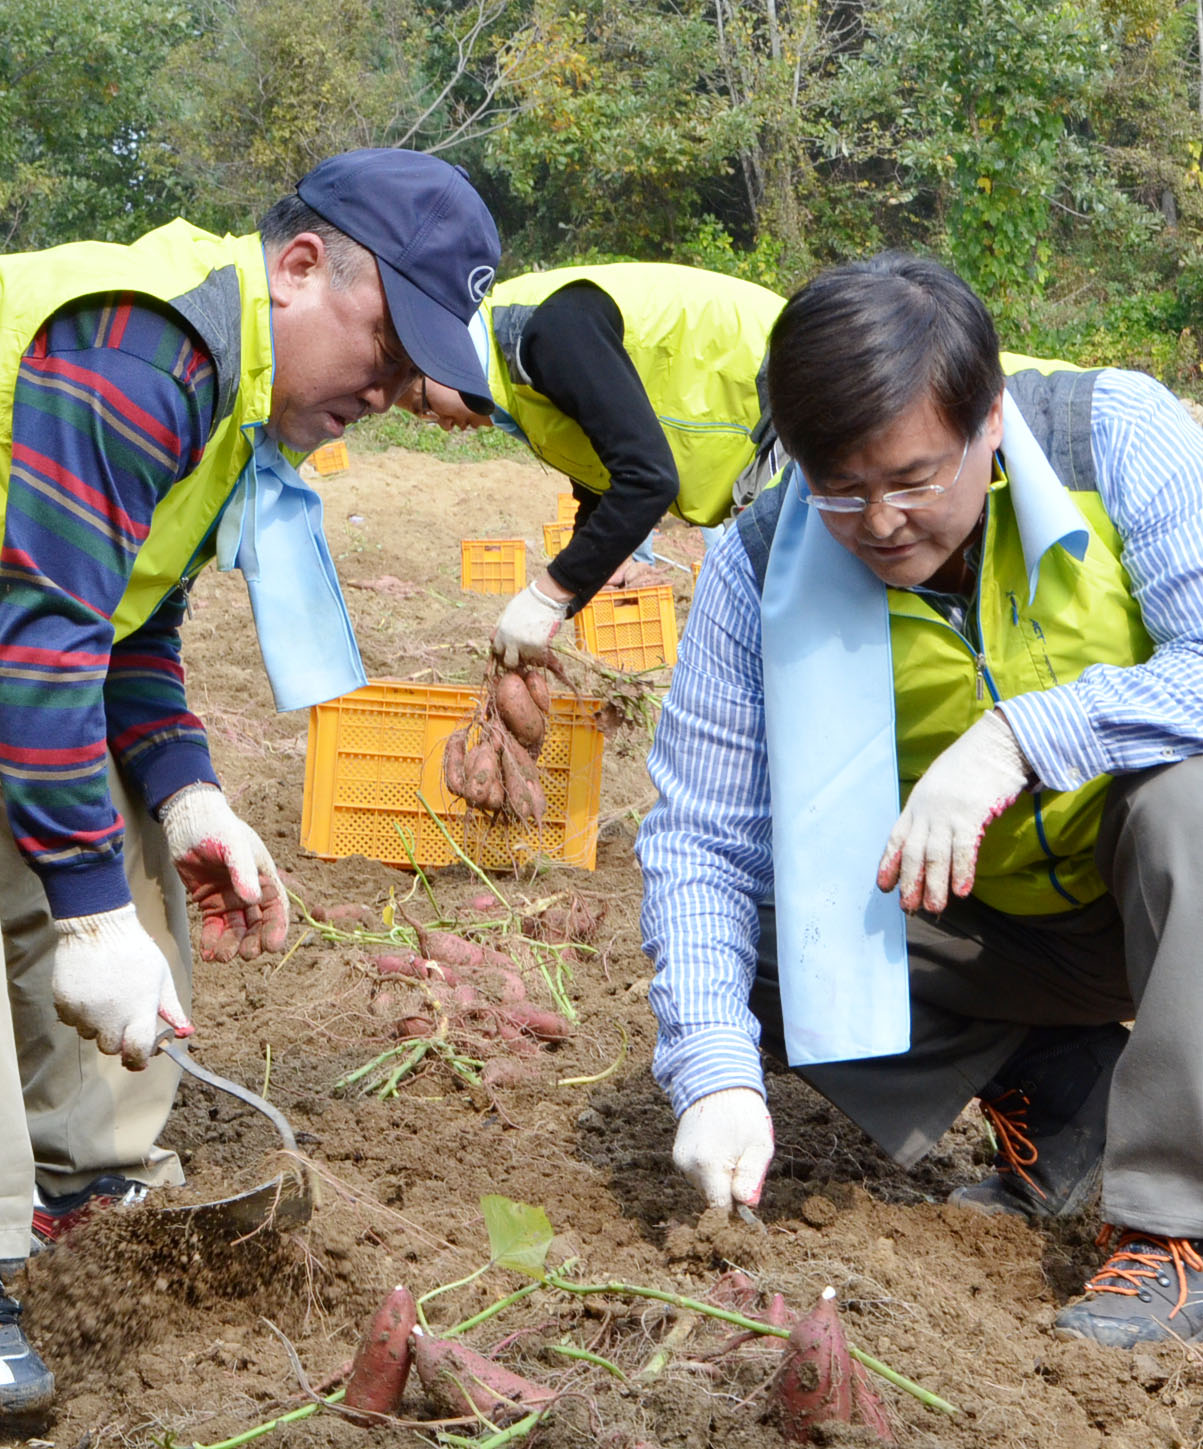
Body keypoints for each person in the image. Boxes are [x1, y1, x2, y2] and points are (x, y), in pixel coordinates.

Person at [0, 147, 500, 1416]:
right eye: (387, 347)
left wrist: (188, 798)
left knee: (108, 819)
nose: (391, 391)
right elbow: (45, 637)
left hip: (28, 630)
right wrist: (91, 915)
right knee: (66, 863)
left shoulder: (227, 402)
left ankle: (88, 1185)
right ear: (299, 268)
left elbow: (128, 631)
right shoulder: (139, 358)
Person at [636, 249, 1203, 1350]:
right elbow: (701, 834)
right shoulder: (762, 558)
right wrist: (711, 1075)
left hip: (1159, 900)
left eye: (912, 480)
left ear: (989, 423)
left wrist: (1022, 735)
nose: (881, 522)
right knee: (743, 930)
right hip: (984, 922)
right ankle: (1055, 1080)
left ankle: (1176, 1234)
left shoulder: (1117, 436)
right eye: (840, 489)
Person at [398, 263, 785, 666]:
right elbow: (601, 484)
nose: (440, 424)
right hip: (761, 420)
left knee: (764, 629)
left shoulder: (549, 335)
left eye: (424, 405)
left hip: (787, 385)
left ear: (441, 352)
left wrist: (549, 593)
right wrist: (565, 600)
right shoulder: (519, 379)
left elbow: (648, 480)